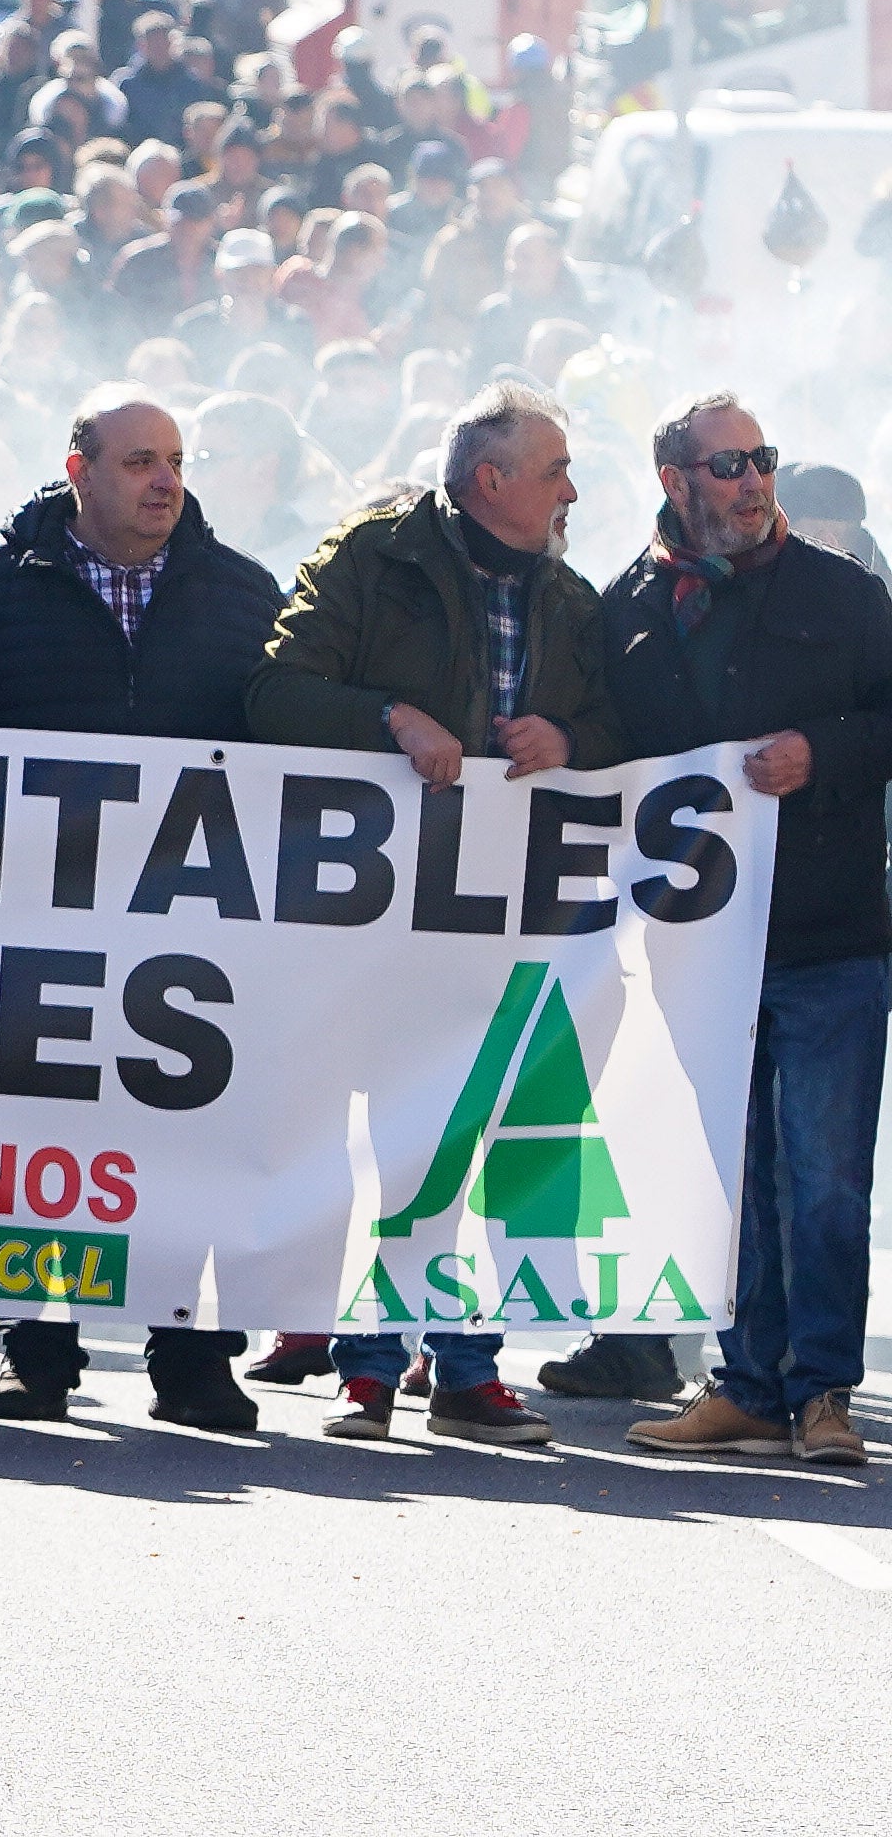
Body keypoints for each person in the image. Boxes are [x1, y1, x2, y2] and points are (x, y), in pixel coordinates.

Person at [0, 390, 282, 1432]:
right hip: (28, 928)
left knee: (185, 1144)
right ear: (79, 471)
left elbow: (290, 748)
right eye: (140, 458)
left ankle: (191, 1358)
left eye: (176, 459)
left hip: (185, 936)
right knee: (29, 1143)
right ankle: (35, 1349)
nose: (164, 479)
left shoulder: (243, 594)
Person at [243, 380, 621, 1444]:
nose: (570, 491)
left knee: (484, 1133)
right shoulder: (372, 560)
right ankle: (368, 1364)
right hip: (378, 907)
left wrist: (571, 738)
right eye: (553, 472)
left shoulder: (568, 596)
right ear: (488, 479)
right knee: (401, 1133)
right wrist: (390, 718)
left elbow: (612, 722)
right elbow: (276, 693)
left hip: (510, 908)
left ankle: (462, 1369)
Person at [606, 397, 892, 1464]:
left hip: (828, 938)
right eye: (728, 463)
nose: (754, 480)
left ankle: (823, 1390)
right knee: (727, 1177)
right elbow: (608, 744)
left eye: (762, 458)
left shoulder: (844, 590)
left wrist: (824, 750)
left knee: (823, 1181)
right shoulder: (631, 602)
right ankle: (746, 1382)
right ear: (675, 478)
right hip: (701, 947)